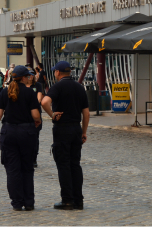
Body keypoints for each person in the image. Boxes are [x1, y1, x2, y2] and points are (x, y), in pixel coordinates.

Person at [0, 66, 42, 211]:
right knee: (27, 168)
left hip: (9, 132)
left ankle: (17, 203)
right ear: (24, 77)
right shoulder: (29, 92)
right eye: (28, 76)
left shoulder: (4, 92)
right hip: (27, 133)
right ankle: (29, 202)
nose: (30, 78)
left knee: (12, 169)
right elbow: (36, 116)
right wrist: (36, 122)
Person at [41, 61, 90, 210]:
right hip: (76, 129)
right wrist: (84, 132)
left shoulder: (57, 87)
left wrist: (52, 114)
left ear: (57, 72)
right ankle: (78, 200)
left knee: (63, 165)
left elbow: (44, 102)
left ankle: (67, 200)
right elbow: (86, 113)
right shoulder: (79, 87)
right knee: (75, 164)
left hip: (62, 129)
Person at [25, 67, 44, 168]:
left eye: (32, 74)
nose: (30, 76)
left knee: (35, 138)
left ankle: (34, 158)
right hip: (24, 115)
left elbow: (39, 98)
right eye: (28, 75)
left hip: (35, 114)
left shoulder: (38, 85)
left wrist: (32, 106)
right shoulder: (22, 86)